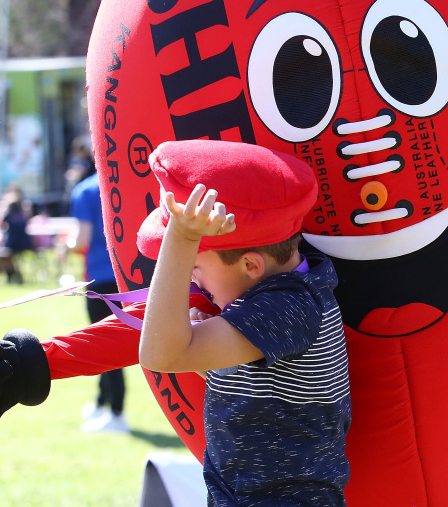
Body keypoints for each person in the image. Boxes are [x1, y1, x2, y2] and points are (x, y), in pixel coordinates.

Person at [138, 139, 351, 506]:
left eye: (195, 268)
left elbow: (159, 355)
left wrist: (183, 237)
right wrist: (207, 351)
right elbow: (263, 394)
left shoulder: (287, 307)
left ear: (251, 266)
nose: (193, 283)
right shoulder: (286, 297)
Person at [69, 170, 129, 434]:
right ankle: (102, 403)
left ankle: (116, 414)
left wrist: (65, 244)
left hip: (100, 278)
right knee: (109, 342)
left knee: (106, 347)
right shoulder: (125, 183)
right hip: (129, 278)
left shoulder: (85, 190)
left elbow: (81, 239)